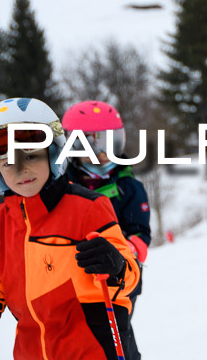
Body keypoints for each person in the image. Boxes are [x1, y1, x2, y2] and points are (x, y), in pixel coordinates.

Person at [0, 97, 140, 358]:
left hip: (93, 350)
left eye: (31, 155)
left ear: (53, 153)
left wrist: (116, 266)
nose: (21, 169)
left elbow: (128, 277)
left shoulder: (88, 207)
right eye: (8, 162)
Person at [62, 100, 151, 360]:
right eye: (91, 146)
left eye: (110, 145)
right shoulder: (64, 187)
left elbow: (141, 234)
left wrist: (124, 253)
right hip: (74, 278)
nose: (101, 155)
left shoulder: (129, 186)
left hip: (120, 280)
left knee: (115, 339)